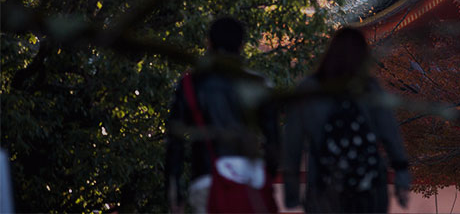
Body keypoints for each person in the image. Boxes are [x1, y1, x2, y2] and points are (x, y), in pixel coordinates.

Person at [283, 27, 410, 213]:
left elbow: (292, 144)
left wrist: (291, 192)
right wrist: (401, 174)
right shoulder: (370, 88)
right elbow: (391, 135)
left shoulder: (309, 89)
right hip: (370, 188)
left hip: (324, 186)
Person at [165, 17, 279, 213]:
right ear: (242, 45)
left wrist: (174, 190)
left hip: (206, 177)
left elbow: (175, 141)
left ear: (208, 42)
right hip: (250, 180)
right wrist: (267, 173)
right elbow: (274, 139)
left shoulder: (190, 84)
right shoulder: (258, 84)